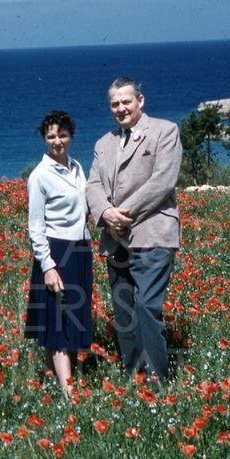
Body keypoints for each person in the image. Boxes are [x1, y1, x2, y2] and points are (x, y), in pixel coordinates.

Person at [86, 77, 182, 382]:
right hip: (115, 240)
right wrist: (104, 212)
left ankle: (158, 381)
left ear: (140, 101)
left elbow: (162, 182)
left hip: (151, 234)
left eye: (126, 101)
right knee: (125, 311)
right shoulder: (104, 143)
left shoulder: (165, 131)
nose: (120, 108)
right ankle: (134, 376)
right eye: (114, 104)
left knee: (146, 306)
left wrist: (122, 214)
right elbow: (93, 185)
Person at [24, 110, 93, 397]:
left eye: (62, 135)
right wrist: (48, 265)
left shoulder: (77, 167)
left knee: (67, 316)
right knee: (61, 320)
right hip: (56, 251)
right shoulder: (40, 176)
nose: (57, 141)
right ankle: (69, 395)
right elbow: (35, 227)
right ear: (44, 138)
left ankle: (51, 376)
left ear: (71, 135)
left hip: (80, 248)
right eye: (51, 136)